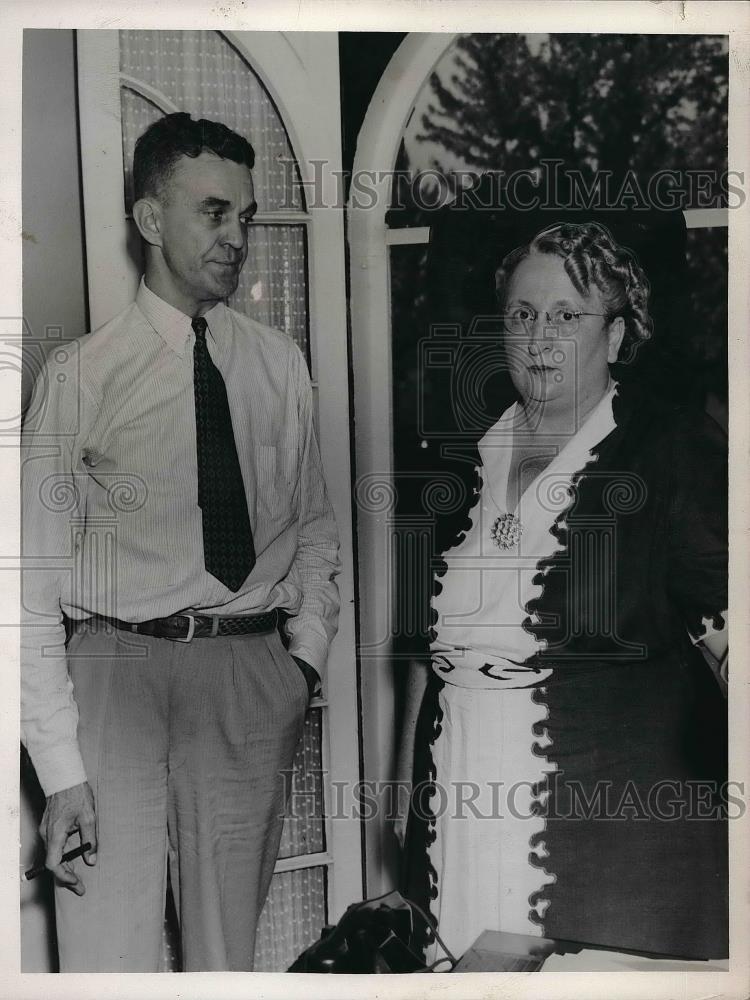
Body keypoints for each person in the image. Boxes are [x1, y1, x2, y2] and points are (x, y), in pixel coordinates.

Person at [20, 112, 341, 972]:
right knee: (106, 962)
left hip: (245, 676)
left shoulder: (281, 367)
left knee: (225, 960)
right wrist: (59, 768)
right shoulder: (80, 377)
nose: (237, 237)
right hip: (114, 681)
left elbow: (315, 532)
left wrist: (297, 663)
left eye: (247, 217)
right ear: (151, 219)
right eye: (213, 212)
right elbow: (25, 587)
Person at [400, 221, 728, 962]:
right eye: (522, 315)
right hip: (459, 803)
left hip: (603, 835)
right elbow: (434, 661)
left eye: (566, 316)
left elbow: (727, 629)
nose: (540, 337)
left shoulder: (670, 451)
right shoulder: (464, 460)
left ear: (614, 337)